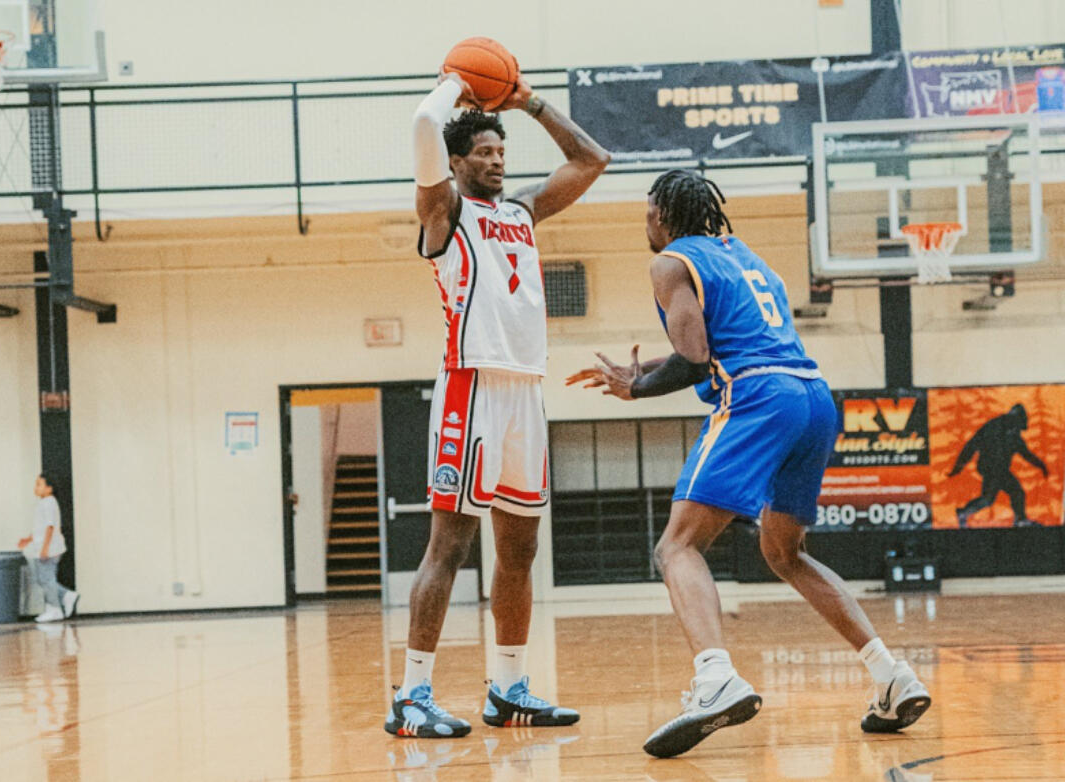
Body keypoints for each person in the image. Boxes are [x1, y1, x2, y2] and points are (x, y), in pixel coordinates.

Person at [567, 170, 931, 758]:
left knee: (676, 547)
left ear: (663, 214)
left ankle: (715, 677)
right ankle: (892, 675)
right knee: (784, 552)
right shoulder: (748, 259)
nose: (646, 222)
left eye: (647, 211)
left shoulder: (672, 264)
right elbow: (727, 342)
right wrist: (643, 369)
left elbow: (693, 361)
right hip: (812, 396)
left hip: (759, 399)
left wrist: (637, 391)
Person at [384, 69, 609, 739]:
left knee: (520, 550)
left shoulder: (523, 212)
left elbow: (592, 160)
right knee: (449, 547)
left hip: (524, 390)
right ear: (456, 163)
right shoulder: (443, 213)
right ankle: (412, 697)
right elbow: (424, 125)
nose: (497, 159)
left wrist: (529, 101)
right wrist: (456, 81)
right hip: (470, 386)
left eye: (501, 151)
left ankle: (509, 687)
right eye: (483, 152)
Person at [951, 403, 1048, 527]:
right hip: (989, 467)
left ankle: (1019, 519)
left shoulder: (1014, 436)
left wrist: (1041, 466)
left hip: (1000, 469)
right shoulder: (993, 427)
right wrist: (958, 467)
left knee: (1008, 494)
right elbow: (972, 445)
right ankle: (964, 513)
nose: (1016, 429)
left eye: (1018, 427)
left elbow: (1026, 454)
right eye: (1015, 425)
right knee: (996, 496)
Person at [17, 474, 79, 623]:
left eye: (39, 484)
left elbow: (50, 527)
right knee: (42, 579)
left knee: (47, 580)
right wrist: (29, 539)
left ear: (49, 488)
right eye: (36, 484)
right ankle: (66, 596)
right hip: (43, 547)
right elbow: (40, 528)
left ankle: (55, 609)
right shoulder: (43, 503)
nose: (36, 487)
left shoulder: (49, 503)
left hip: (50, 548)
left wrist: (45, 548)